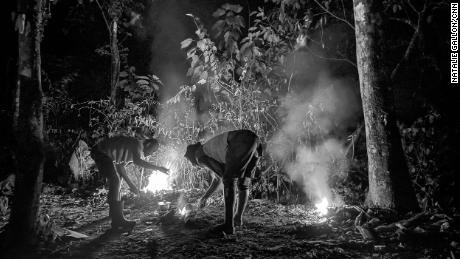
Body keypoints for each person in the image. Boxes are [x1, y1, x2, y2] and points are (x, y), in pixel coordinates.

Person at [184, 129, 262, 234]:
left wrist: (226, 177)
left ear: (192, 158)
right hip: (255, 142)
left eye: (191, 163)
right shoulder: (209, 150)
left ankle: (228, 226)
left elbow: (222, 175)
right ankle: (238, 218)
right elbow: (218, 179)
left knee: (229, 180)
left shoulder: (199, 156)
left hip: (240, 141)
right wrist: (204, 197)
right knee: (243, 183)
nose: (194, 165)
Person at [91, 135, 169, 231]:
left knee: (117, 181)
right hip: (100, 151)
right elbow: (138, 161)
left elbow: (120, 167)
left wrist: (131, 185)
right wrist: (158, 168)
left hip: (103, 153)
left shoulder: (136, 151)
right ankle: (117, 220)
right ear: (148, 144)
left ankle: (116, 214)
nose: (151, 154)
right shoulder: (137, 144)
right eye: (152, 150)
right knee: (115, 180)